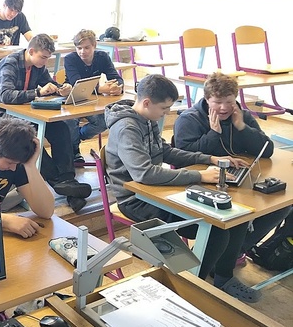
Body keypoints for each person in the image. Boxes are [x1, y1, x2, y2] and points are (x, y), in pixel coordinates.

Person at [104, 74, 262, 303]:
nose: (166, 113)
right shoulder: (127, 127)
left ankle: (223, 278)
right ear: (147, 103)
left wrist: (209, 158)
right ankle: (190, 290)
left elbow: (165, 152)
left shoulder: (146, 119)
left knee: (234, 219)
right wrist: (200, 175)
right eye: (164, 108)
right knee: (217, 231)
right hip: (136, 199)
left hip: (156, 192)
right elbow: (144, 173)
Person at [173, 72, 291, 256]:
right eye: (217, 102)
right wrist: (214, 133)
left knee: (281, 205)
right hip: (201, 182)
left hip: (237, 181)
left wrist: (242, 127)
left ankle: (234, 251)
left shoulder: (240, 115)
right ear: (207, 99)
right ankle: (217, 254)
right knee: (236, 214)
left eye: (229, 101)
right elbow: (183, 157)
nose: (224, 107)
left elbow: (267, 150)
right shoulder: (189, 119)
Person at [0, 33, 91, 212]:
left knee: (61, 129)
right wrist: (38, 93)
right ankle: (59, 183)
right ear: (31, 51)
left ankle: (67, 180)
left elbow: (48, 83)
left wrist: (60, 89)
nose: (45, 61)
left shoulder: (38, 65)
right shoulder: (10, 64)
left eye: (48, 58)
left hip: (26, 112)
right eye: (43, 57)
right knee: (30, 138)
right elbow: (6, 96)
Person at [63, 29, 123, 165]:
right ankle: (74, 150)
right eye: (79, 48)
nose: (82, 51)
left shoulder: (102, 57)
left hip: (93, 101)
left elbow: (116, 77)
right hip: (73, 99)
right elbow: (76, 82)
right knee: (70, 121)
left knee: (104, 121)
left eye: (86, 48)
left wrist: (118, 87)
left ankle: (77, 137)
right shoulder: (70, 59)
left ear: (94, 46)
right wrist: (101, 89)